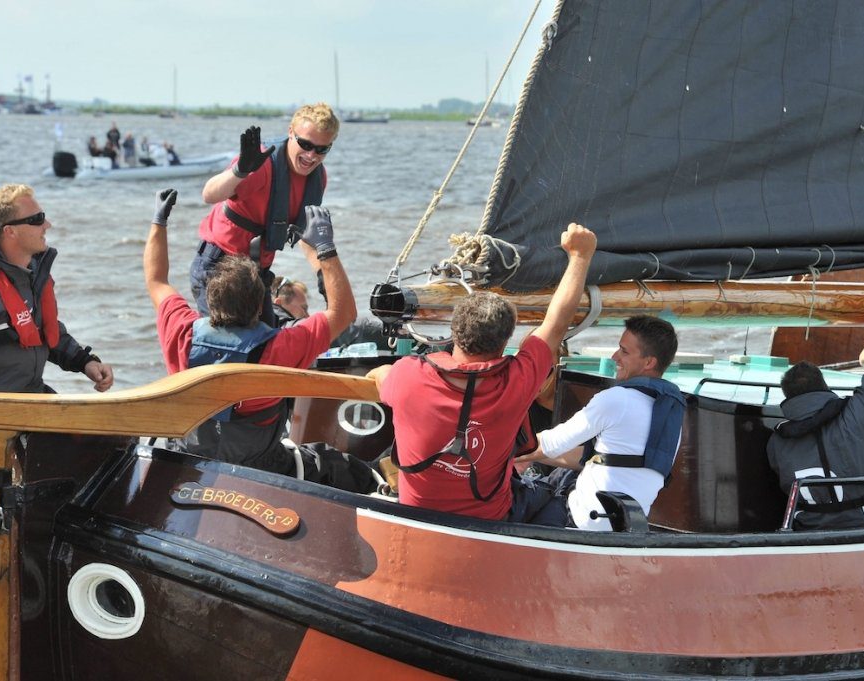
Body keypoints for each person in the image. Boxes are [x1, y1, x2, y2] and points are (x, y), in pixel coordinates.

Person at [367, 223, 598, 521]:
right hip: (491, 520)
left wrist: (381, 373)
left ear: (454, 333)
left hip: (417, 516)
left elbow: (379, 375)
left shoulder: (407, 375)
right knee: (559, 492)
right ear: (505, 344)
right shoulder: (518, 380)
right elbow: (556, 323)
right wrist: (581, 257)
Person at [143, 188, 356, 473]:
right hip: (261, 467)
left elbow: (156, 280)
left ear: (210, 301)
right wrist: (324, 248)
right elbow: (344, 313)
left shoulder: (182, 334)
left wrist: (159, 222)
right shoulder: (281, 348)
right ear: (260, 308)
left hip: (189, 457)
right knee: (349, 471)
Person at [0, 184, 114, 393]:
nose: (47, 225)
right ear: (10, 231)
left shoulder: (32, 274)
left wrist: (85, 362)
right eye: (37, 219)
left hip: (30, 395)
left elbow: (46, 330)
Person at [768, 278, 864, 531]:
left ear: (788, 399)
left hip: (806, 535)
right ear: (824, 387)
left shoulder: (776, 443)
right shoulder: (858, 415)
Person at [516, 316, 684, 531]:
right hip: (628, 525)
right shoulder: (672, 409)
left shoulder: (617, 399)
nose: (615, 357)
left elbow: (549, 443)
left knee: (519, 499)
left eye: (624, 351)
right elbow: (605, 458)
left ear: (649, 362)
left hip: (581, 519)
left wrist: (495, 450)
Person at [190, 103, 339, 324]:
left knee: (270, 346)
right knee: (228, 348)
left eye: (321, 149)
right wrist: (240, 170)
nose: (311, 155)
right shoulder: (261, 163)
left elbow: (304, 232)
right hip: (218, 268)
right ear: (291, 132)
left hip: (256, 274)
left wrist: (321, 273)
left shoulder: (318, 178)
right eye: (305, 144)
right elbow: (209, 194)